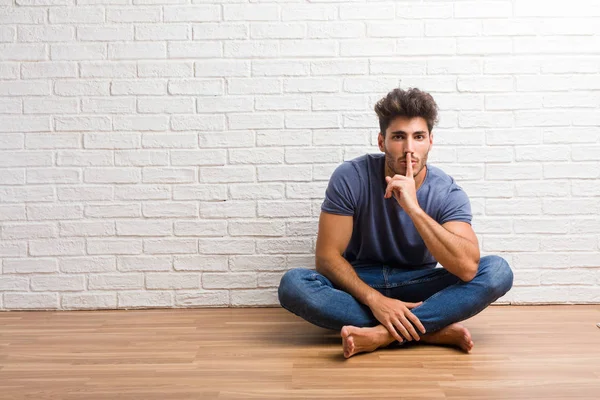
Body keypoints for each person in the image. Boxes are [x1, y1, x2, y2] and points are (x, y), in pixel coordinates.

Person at [278, 88, 513, 359]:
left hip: (416, 281)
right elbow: (327, 258)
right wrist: (375, 301)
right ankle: (430, 329)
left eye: (418, 137)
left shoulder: (447, 192)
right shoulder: (350, 177)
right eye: (399, 137)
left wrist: (413, 208)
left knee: (497, 271)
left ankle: (383, 334)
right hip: (360, 281)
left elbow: (468, 267)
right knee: (293, 284)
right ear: (382, 141)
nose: (409, 149)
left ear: (430, 142)